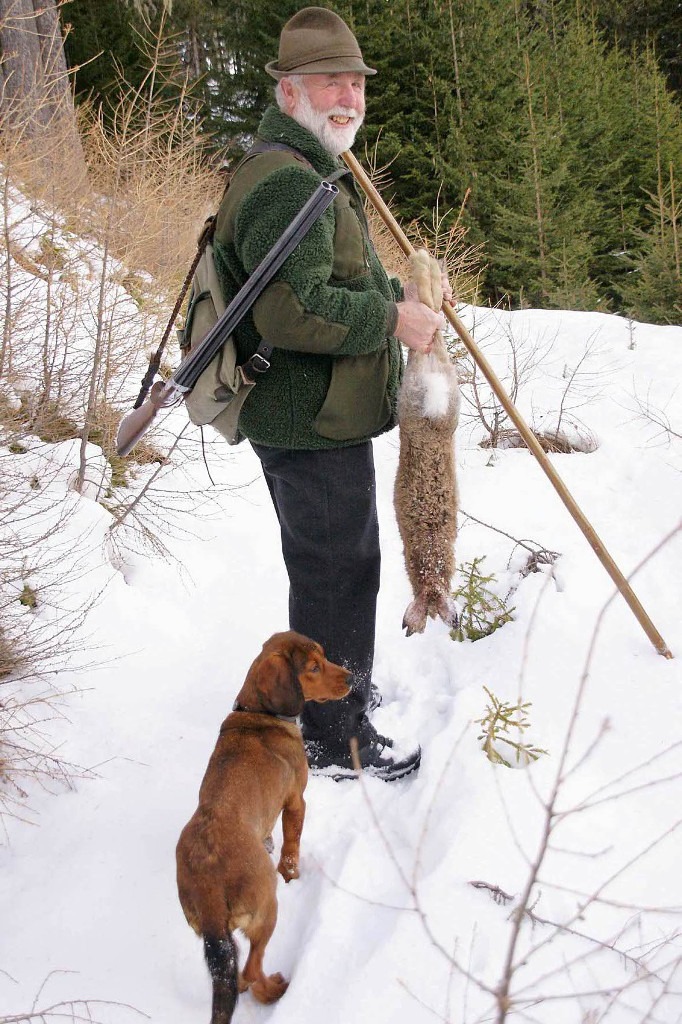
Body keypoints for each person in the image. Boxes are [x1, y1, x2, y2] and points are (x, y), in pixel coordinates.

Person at [213, 7, 447, 781]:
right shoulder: (288, 183)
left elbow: (320, 278)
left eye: (355, 84)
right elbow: (293, 309)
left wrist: (387, 292)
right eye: (328, 84)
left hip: (316, 414)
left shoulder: (301, 167)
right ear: (289, 94)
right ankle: (335, 741)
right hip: (309, 421)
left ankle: (340, 706)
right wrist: (392, 317)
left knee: (340, 568)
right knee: (336, 576)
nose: (348, 97)